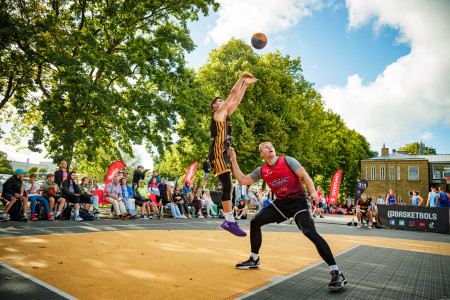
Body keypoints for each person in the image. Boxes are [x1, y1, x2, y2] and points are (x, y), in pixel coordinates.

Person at [229, 142, 347, 290]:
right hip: (281, 204)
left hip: (299, 202)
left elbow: (305, 176)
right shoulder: (262, 170)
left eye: (271, 145)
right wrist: (234, 160)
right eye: (266, 147)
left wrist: (313, 192)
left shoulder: (287, 160)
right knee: (255, 222)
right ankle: (254, 260)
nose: (270, 147)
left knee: (309, 232)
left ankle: (336, 272)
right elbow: (242, 180)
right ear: (262, 154)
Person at [207, 72, 258, 236]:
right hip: (217, 153)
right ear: (215, 106)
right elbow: (233, 94)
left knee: (228, 188)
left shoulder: (226, 115)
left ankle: (229, 220)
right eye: (220, 101)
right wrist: (241, 78)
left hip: (222, 154)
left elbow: (237, 99)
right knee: (227, 185)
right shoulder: (218, 114)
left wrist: (246, 86)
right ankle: (229, 221)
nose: (224, 102)